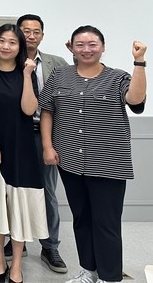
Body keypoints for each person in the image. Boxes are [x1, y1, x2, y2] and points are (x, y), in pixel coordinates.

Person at [40, 26, 147, 283]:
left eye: (92, 44)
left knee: (106, 223)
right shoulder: (59, 75)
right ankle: (88, 271)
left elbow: (135, 99)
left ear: (103, 47)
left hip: (108, 162)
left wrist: (140, 62)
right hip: (69, 160)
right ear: (71, 47)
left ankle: (109, 277)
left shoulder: (117, 77)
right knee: (81, 219)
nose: (86, 49)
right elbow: (47, 110)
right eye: (80, 44)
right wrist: (47, 146)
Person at [0, 24, 47, 283]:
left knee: (20, 206)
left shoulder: (27, 72)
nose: (6, 46)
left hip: (22, 148)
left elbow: (29, 110)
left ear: (20, 47)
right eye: (1, 41)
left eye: (12, 42)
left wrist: (27, 75)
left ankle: (16, 265)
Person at [12, 14, 69, 273]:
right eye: (25, 30)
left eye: (36, 31)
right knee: (14, 190)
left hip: (44, 134)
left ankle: (50, 246)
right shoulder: (8, 60)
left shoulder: (56, 63)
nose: (31, 35)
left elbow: (76, 81)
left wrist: (76, 55)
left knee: (47, 191)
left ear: (42, 36)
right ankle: (17, 241)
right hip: (14, 134)